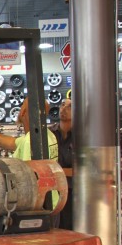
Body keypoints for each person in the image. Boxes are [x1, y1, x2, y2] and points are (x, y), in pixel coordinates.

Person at [0, 97, 60, 210]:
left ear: (23, 112)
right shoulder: (47, 135)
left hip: (36, 206)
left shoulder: (31, 142)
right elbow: (12, 143)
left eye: (22, 106)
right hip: (51, 201)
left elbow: (27, 180)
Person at [53, 98, 74, 229]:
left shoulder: (83, 136)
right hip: (53, 191)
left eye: (69, 106)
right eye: (62, 105)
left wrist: (54, 169)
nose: (63, 109)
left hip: (73, 193)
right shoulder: (49, 133)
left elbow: (84, 170)